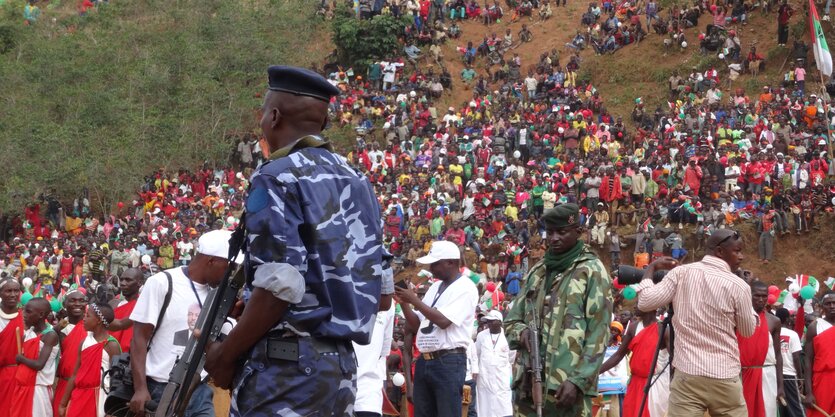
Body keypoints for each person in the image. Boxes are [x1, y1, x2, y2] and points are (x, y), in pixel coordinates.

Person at [203, 66, 387, 417]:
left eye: (262, 114)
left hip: (285, 371)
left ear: (273, 117)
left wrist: (225, 356)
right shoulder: (358, 180)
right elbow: (384, 293)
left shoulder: (276, 175)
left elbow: (281, 286)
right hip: (340, 371)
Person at [635, 229, 758, 417]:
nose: (741, 257)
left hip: (688, 376)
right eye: (737, 251)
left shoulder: (681, 273)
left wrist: (651, 268)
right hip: (725, 377)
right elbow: (748, 331)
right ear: (719, 251)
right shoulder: (738, 285)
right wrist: (747, 300)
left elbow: (644, 302)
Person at [504, 203, 612, 416]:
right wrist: (522, 332)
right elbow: (511, 321)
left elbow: (599, 334)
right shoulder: (538, 271)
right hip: (528, 387)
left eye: (562, 232)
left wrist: (578, 380)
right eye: (550, 232)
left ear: (578, 232)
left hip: (567, 388)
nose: (554, 238)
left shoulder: (592, 271)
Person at [129, 230, 240, 416]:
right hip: (161, 387)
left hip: (200, 389)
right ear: (211, 261)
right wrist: (140, 388)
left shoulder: (219, 296)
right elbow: (139, 338)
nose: (231, 273)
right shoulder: (162, 283)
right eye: (229, 266)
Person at [395, 240, 478, 417]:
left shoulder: (466, 287)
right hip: (425, 361)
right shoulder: (434, 287)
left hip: (448, 361)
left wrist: (414, 300)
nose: (431, 268)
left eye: (435, 263)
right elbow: (417, 324)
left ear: (451, 262)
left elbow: (443, 321)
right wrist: (404, 303)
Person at [598, 309, 670, 417]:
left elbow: (674, 361)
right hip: (635, 384)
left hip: (656, 385)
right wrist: (595, 372)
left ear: (650, 306)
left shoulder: (664, 330)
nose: (636, 306)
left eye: (640, 302)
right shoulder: (633, 327)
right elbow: (618, 355)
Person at [57, 303, 121, 417]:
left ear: (98, 321)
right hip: (79, 396)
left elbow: (116, 379)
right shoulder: (84, 342)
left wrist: (112, 409)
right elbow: (75, 374)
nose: (84, 318)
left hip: (101, 398)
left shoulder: (112, 345)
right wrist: (63, 403)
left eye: (88, 315)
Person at [737, 281, 784, 417]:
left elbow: (778, 355)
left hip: (768, 374)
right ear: (749, 296)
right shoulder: (738, 318)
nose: (761, 300)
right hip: (742, 374)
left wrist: (780, 386)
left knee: (768, 411)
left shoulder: (774, 321)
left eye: (764, 296)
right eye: (757, 296)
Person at [10, 297, 59, 417]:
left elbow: (39, 365)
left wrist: (21, 359)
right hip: (22, 387)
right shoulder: (28, 333)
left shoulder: (50, 336)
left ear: (41, 314)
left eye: (28, 311)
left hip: (38, 390)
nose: (24, 315)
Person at [53, 288, 89, 417]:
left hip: (83, 387)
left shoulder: (92, 327)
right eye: (72, 300)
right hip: (63, 383)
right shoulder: (58, 329)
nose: (77, 304)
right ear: (65, 303)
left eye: (81, 301)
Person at [475, 309, 513, 417]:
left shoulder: (507, 337)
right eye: (488, 321)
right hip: (484, 378)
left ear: (500, 322)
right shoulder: (481, 336)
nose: (489, 323)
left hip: (501, 378)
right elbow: (477, 355)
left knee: (502, 408)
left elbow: (511, 358)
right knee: (484, 408)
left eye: (492, 321)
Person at [803, 291, 835, 417]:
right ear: (822, 306)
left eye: (834, 303)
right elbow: (808, 361)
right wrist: (808, 392)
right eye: (828, 303)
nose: (832, 306)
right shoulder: (814, 327)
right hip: (822, 380)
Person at [0, 278, 24, 417]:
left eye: (16, 290)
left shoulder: (27, 316)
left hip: (22, 376)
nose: (13, 294)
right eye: (8, 291)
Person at [775, 308, 804, 417]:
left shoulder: (771, 331)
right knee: (796, 407)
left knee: (781, 406)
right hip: (789, 376)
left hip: (774, 373)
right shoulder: (792, 334)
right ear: (787, 319)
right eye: (791, 317)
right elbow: (796, 357)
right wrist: (800, 377)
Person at [107, 268, 143, 353]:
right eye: (122, 279)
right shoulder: (113, 304)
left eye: (128, 280)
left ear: (139, 283)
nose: (122, 283)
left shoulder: (143, 306)